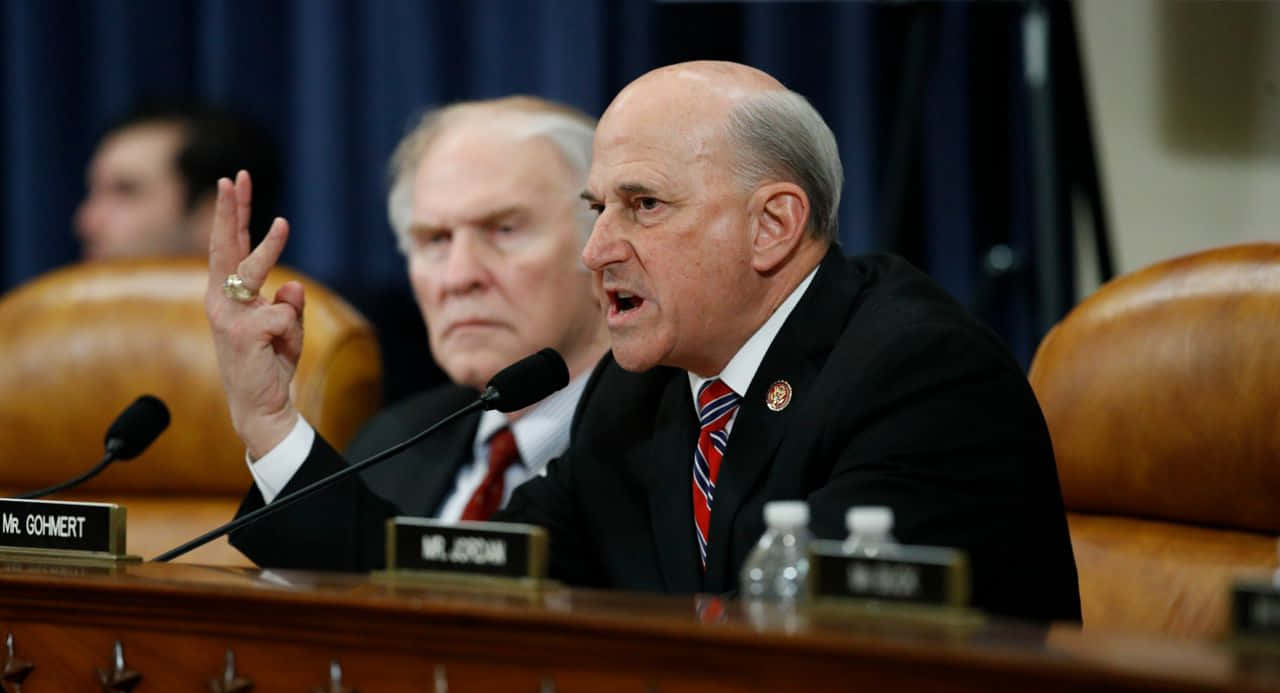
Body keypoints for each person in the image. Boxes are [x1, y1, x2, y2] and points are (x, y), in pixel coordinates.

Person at [211, 63, 1079, 623]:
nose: (599, 251)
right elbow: (467, 583)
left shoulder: (914, 375)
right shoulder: (647, 393)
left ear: (773, 223)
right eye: (598, 210)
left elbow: (787, 629)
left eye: (644, 206)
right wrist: (268, 420)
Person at [212, 97, 610, 570]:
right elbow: (364, 607)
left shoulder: (671, 448)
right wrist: (267, 421)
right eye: (435, 241)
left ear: (603, 247)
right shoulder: (395, 441)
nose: (459, 277)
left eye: (504, 229)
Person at [75, 103, 279, 261]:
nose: (87, 224)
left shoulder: (295, 312)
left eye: (126, 192)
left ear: (214, 216)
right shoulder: (52, 311)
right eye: (93, 191)